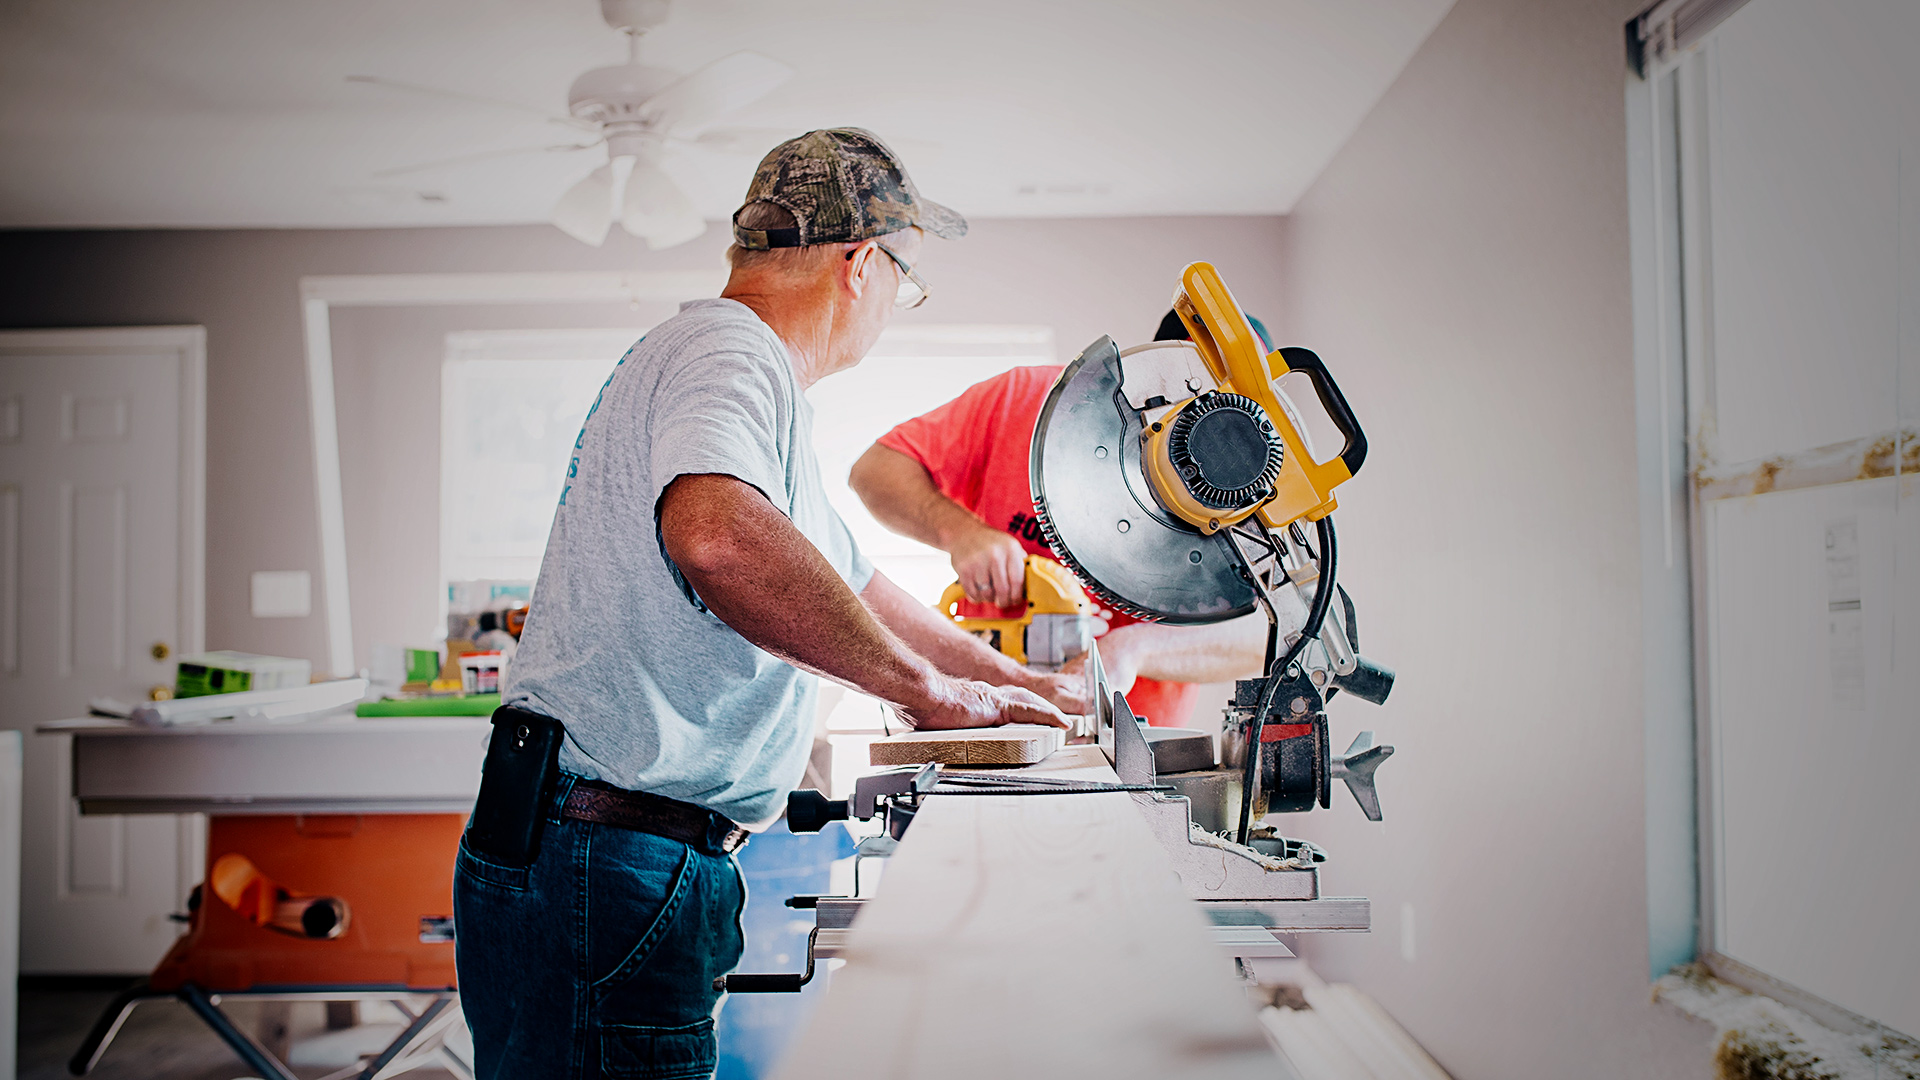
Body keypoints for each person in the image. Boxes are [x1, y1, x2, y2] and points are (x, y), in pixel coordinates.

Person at [453, 128, 1083, 1080]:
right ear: (862, 264)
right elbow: (715, 536)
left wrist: (1009, 682)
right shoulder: (730, 349)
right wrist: (922, 690)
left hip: (596, 850)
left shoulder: (735, 376)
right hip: (610, 858)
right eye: (905, 285)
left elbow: (856, 581)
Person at [849, 310, 1283, 727]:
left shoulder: (1255, 487)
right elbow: (874, 471)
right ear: (1150, 369)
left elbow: (1274, 629)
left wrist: (1133, 648)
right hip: (987, 713)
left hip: (1134, 739)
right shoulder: (1026, 400)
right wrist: (960, 531)